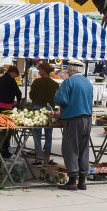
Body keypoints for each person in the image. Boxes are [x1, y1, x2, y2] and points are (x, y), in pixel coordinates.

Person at [54, 59, 93, 191]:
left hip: (74, 119)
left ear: (71, 70)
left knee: (71, 149)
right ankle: (82, 181)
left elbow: (61, 99)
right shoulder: (88, 82)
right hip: (87, 119)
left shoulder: (69, 81)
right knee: (83, 149)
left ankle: (72, 180)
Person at [29, 63, 58, 161]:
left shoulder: (36, 82)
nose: (38, 72)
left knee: (37, 133)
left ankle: (38, 156)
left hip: (37, 109)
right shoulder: (55, 84)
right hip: (50, 109)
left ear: (43, 71)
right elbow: (57, 99)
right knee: (48, 134)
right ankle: (47, 156)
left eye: (39, 70)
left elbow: (31, 95)